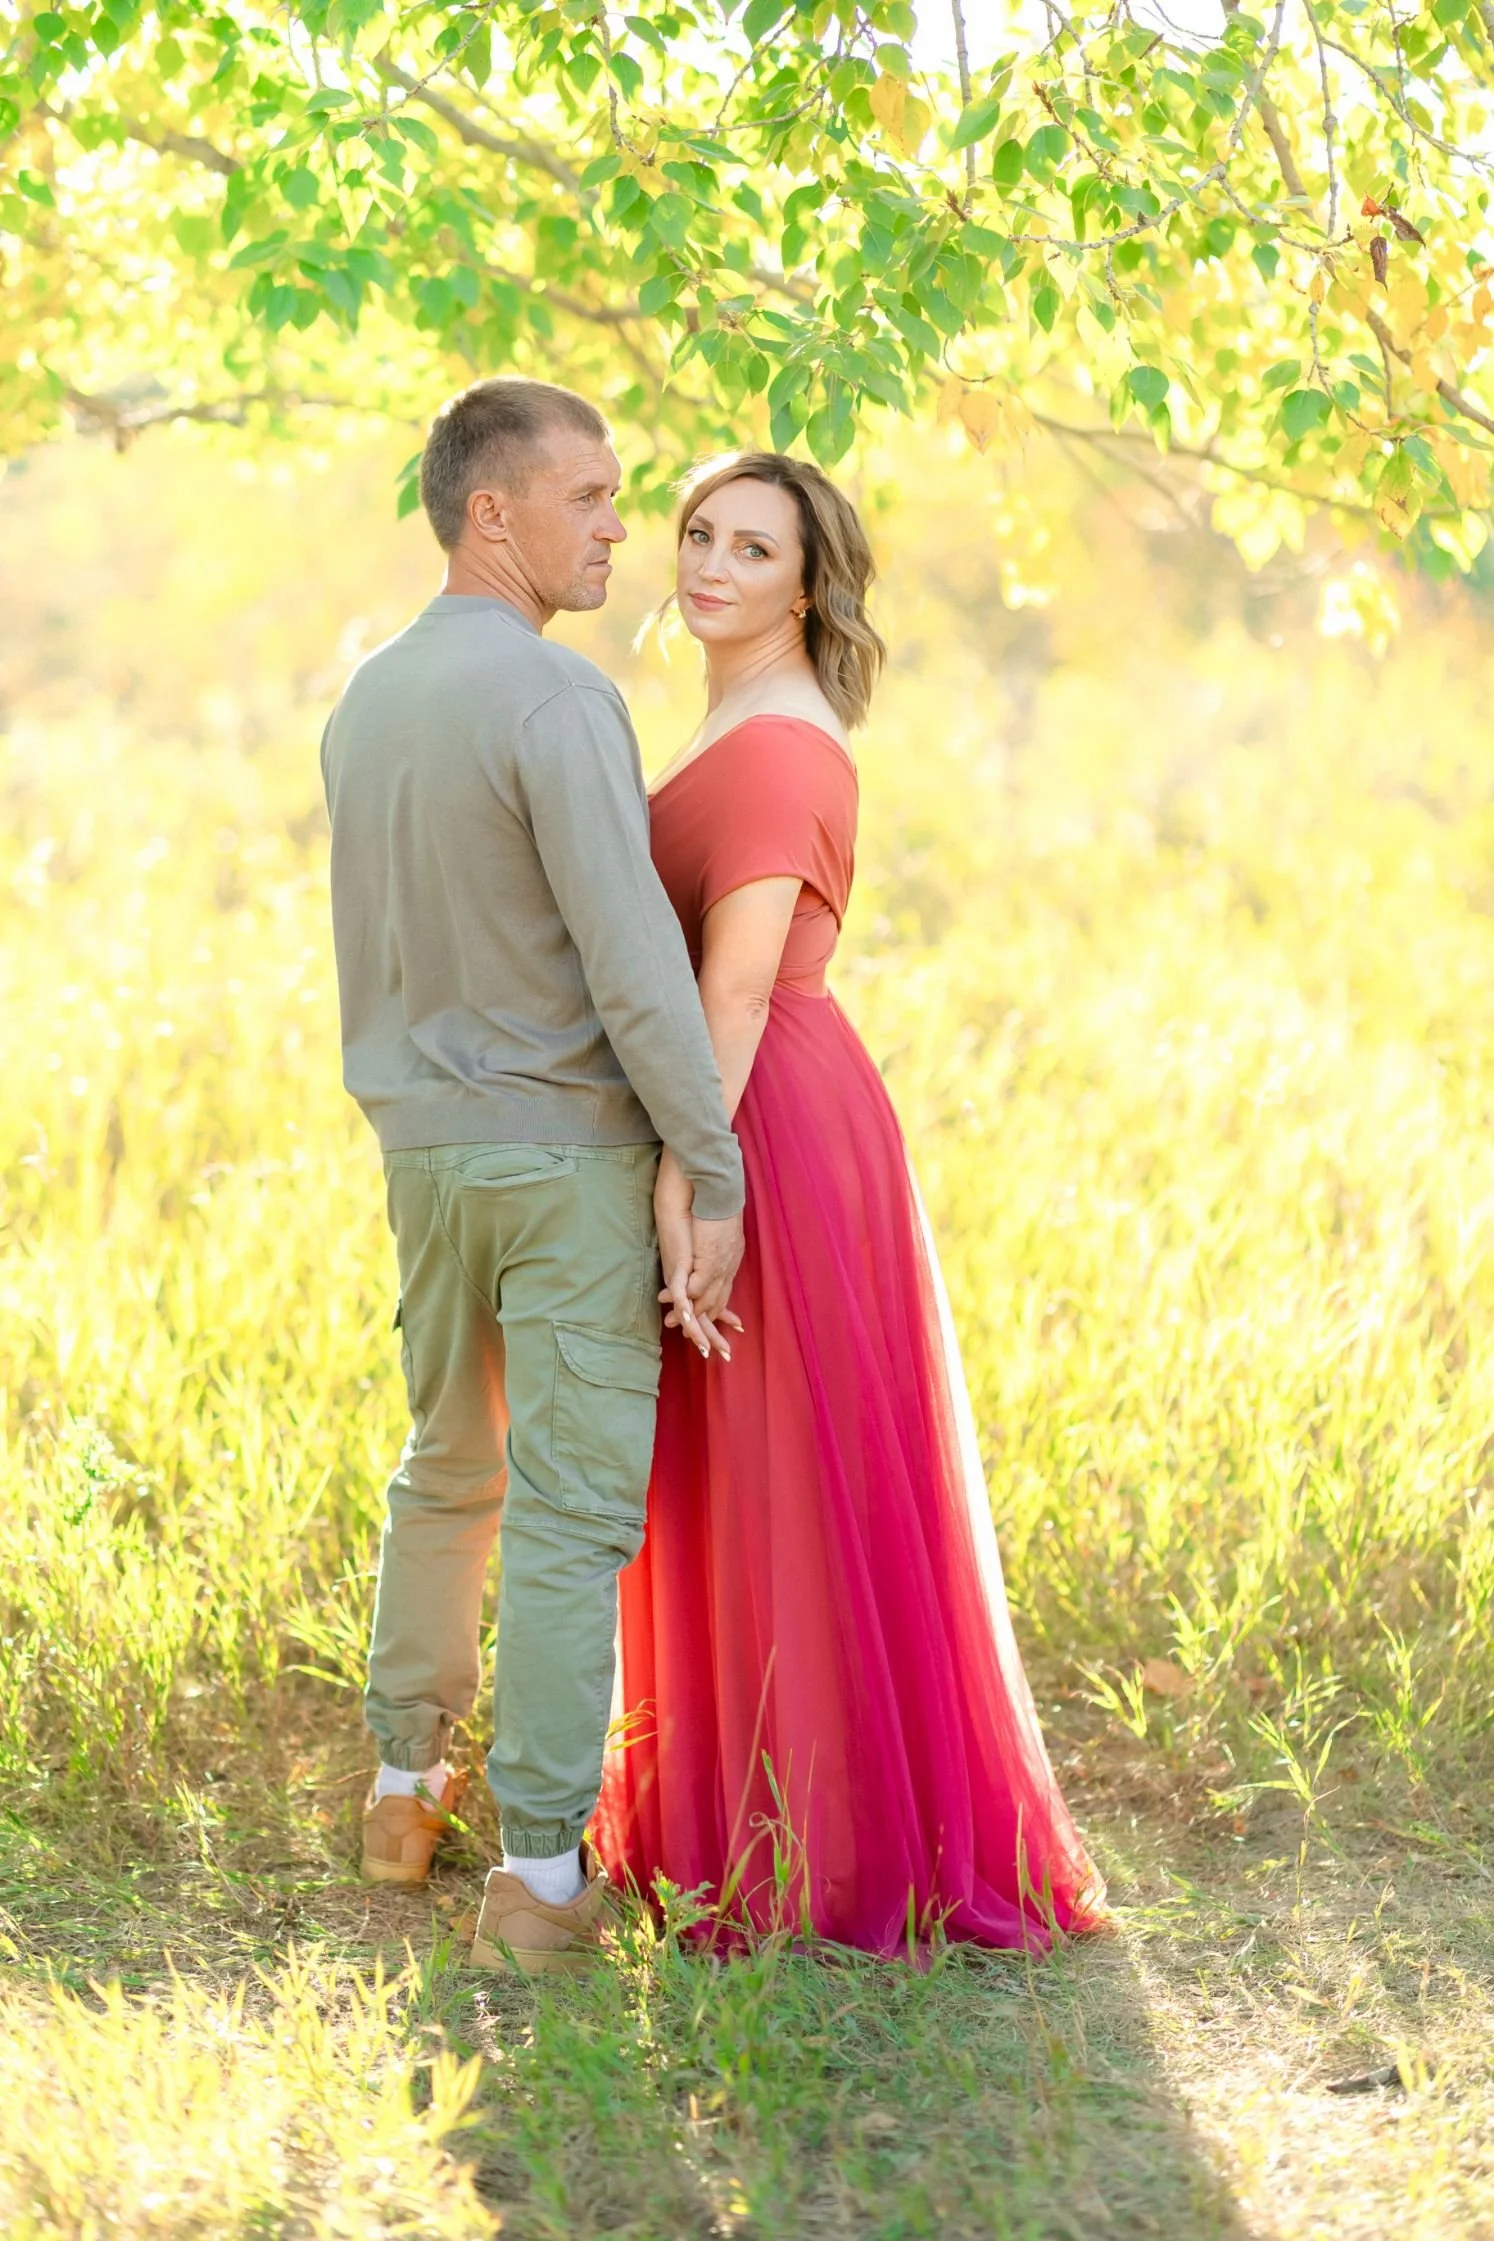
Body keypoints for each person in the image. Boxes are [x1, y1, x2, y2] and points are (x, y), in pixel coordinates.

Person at [595, 453, 1104, 1954]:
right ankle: (733, 1817)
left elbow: (736, 985)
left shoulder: (778, 749)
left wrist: (699, 1177)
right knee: (728, 1473)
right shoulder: (731, 719)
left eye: (751, 549)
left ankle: (819, 1847)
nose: (709, 566)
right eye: (696, 534)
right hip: (728, 1102)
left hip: (764, 1123)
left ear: (807, 584)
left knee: (781, 1475)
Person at [320, 377, 745, 1976]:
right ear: (488, 511)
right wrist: (708, 1163)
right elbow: (635, 961)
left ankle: (397, 1791)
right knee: (568, 1520)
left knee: (446, 1465)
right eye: (589, 495)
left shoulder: (365, 697)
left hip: (422, 1152)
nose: (620, 526)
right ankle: (542, 1878)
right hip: (566, 1155)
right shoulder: (556, 704)